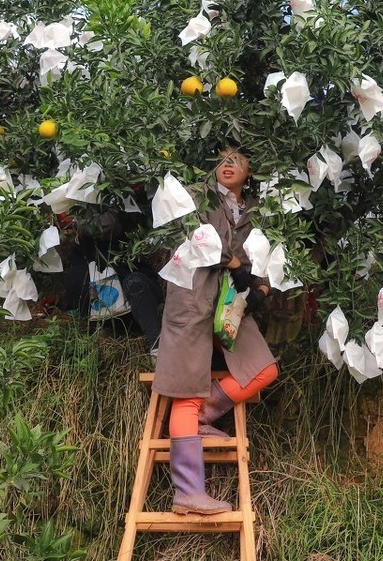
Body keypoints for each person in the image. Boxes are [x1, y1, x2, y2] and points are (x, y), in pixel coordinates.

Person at [152, 146, 280, 515]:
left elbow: (270, 254)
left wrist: (263, 288)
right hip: (192, 298)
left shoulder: (256, 211)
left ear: (250, 169)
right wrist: (236, 262)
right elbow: (200, 234)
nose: (229, 165)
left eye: (237, 159)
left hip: (230, 305)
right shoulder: (197, 195)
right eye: (223, 159)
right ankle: (188, 492)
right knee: (185, 394)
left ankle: (206, 414)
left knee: (264, 369)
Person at [59, 209, 163, 352]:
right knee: (79, 281)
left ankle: (156, 346)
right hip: (107, 314)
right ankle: (103, 330)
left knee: (135, 283)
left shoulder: (127, 224)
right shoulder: (83, 250)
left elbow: (110, 224)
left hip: (137, 302)